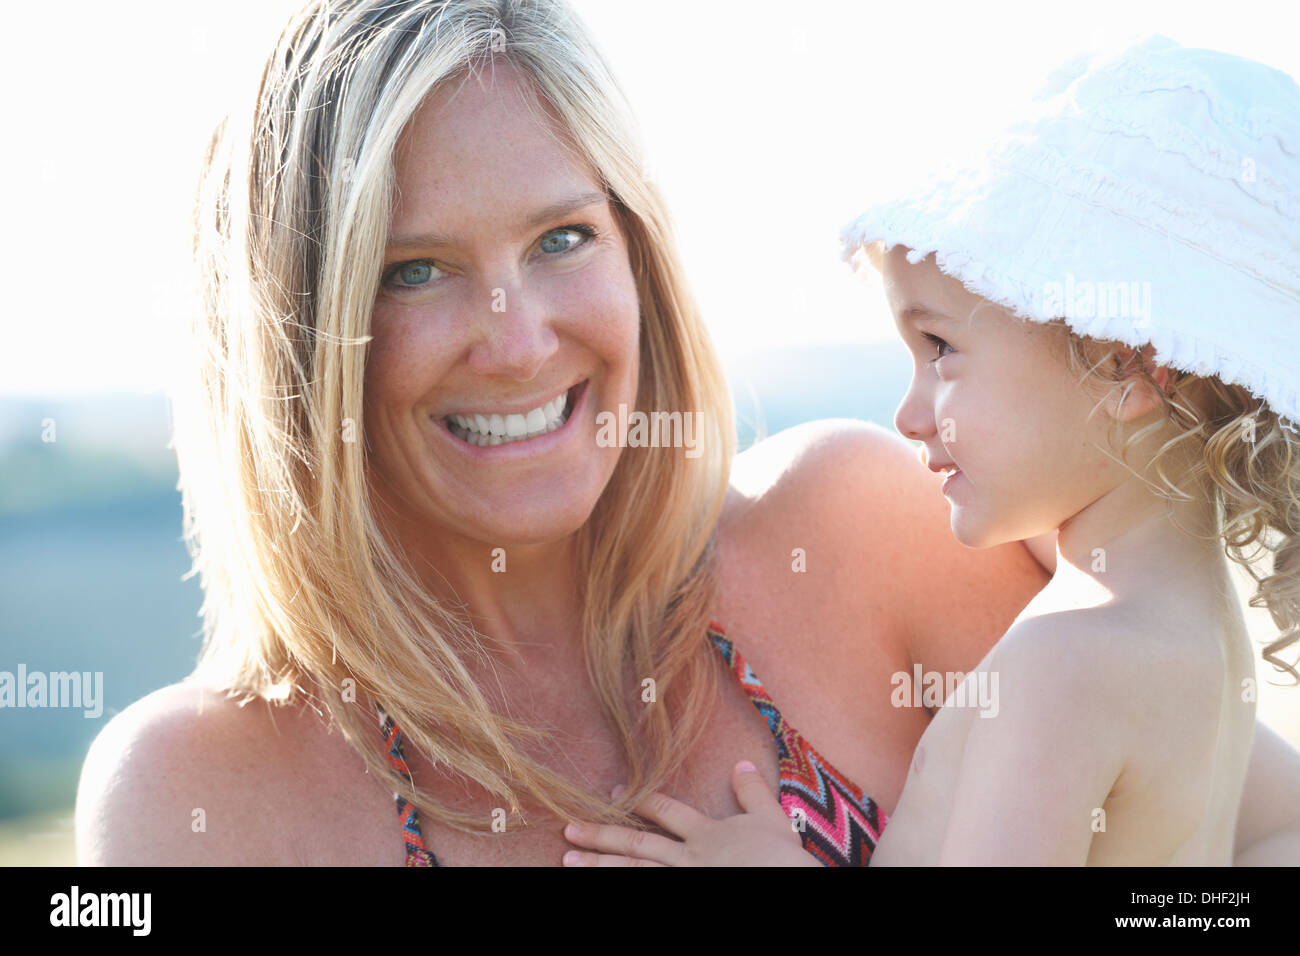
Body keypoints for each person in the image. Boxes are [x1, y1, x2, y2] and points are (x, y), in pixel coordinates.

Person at [74, 3, 1300, 867]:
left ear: (640, 253)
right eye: (413, 270)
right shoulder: (193, 795)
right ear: (298, 332)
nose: (514, 340)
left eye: (563, 239)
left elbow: (1254, 825)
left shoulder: (864, 528)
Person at [560, 36, 1300, 865]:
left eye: (941, 348)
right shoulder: (1205, 641)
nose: (909, 415)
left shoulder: (1060, 670)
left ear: (1124, 369)